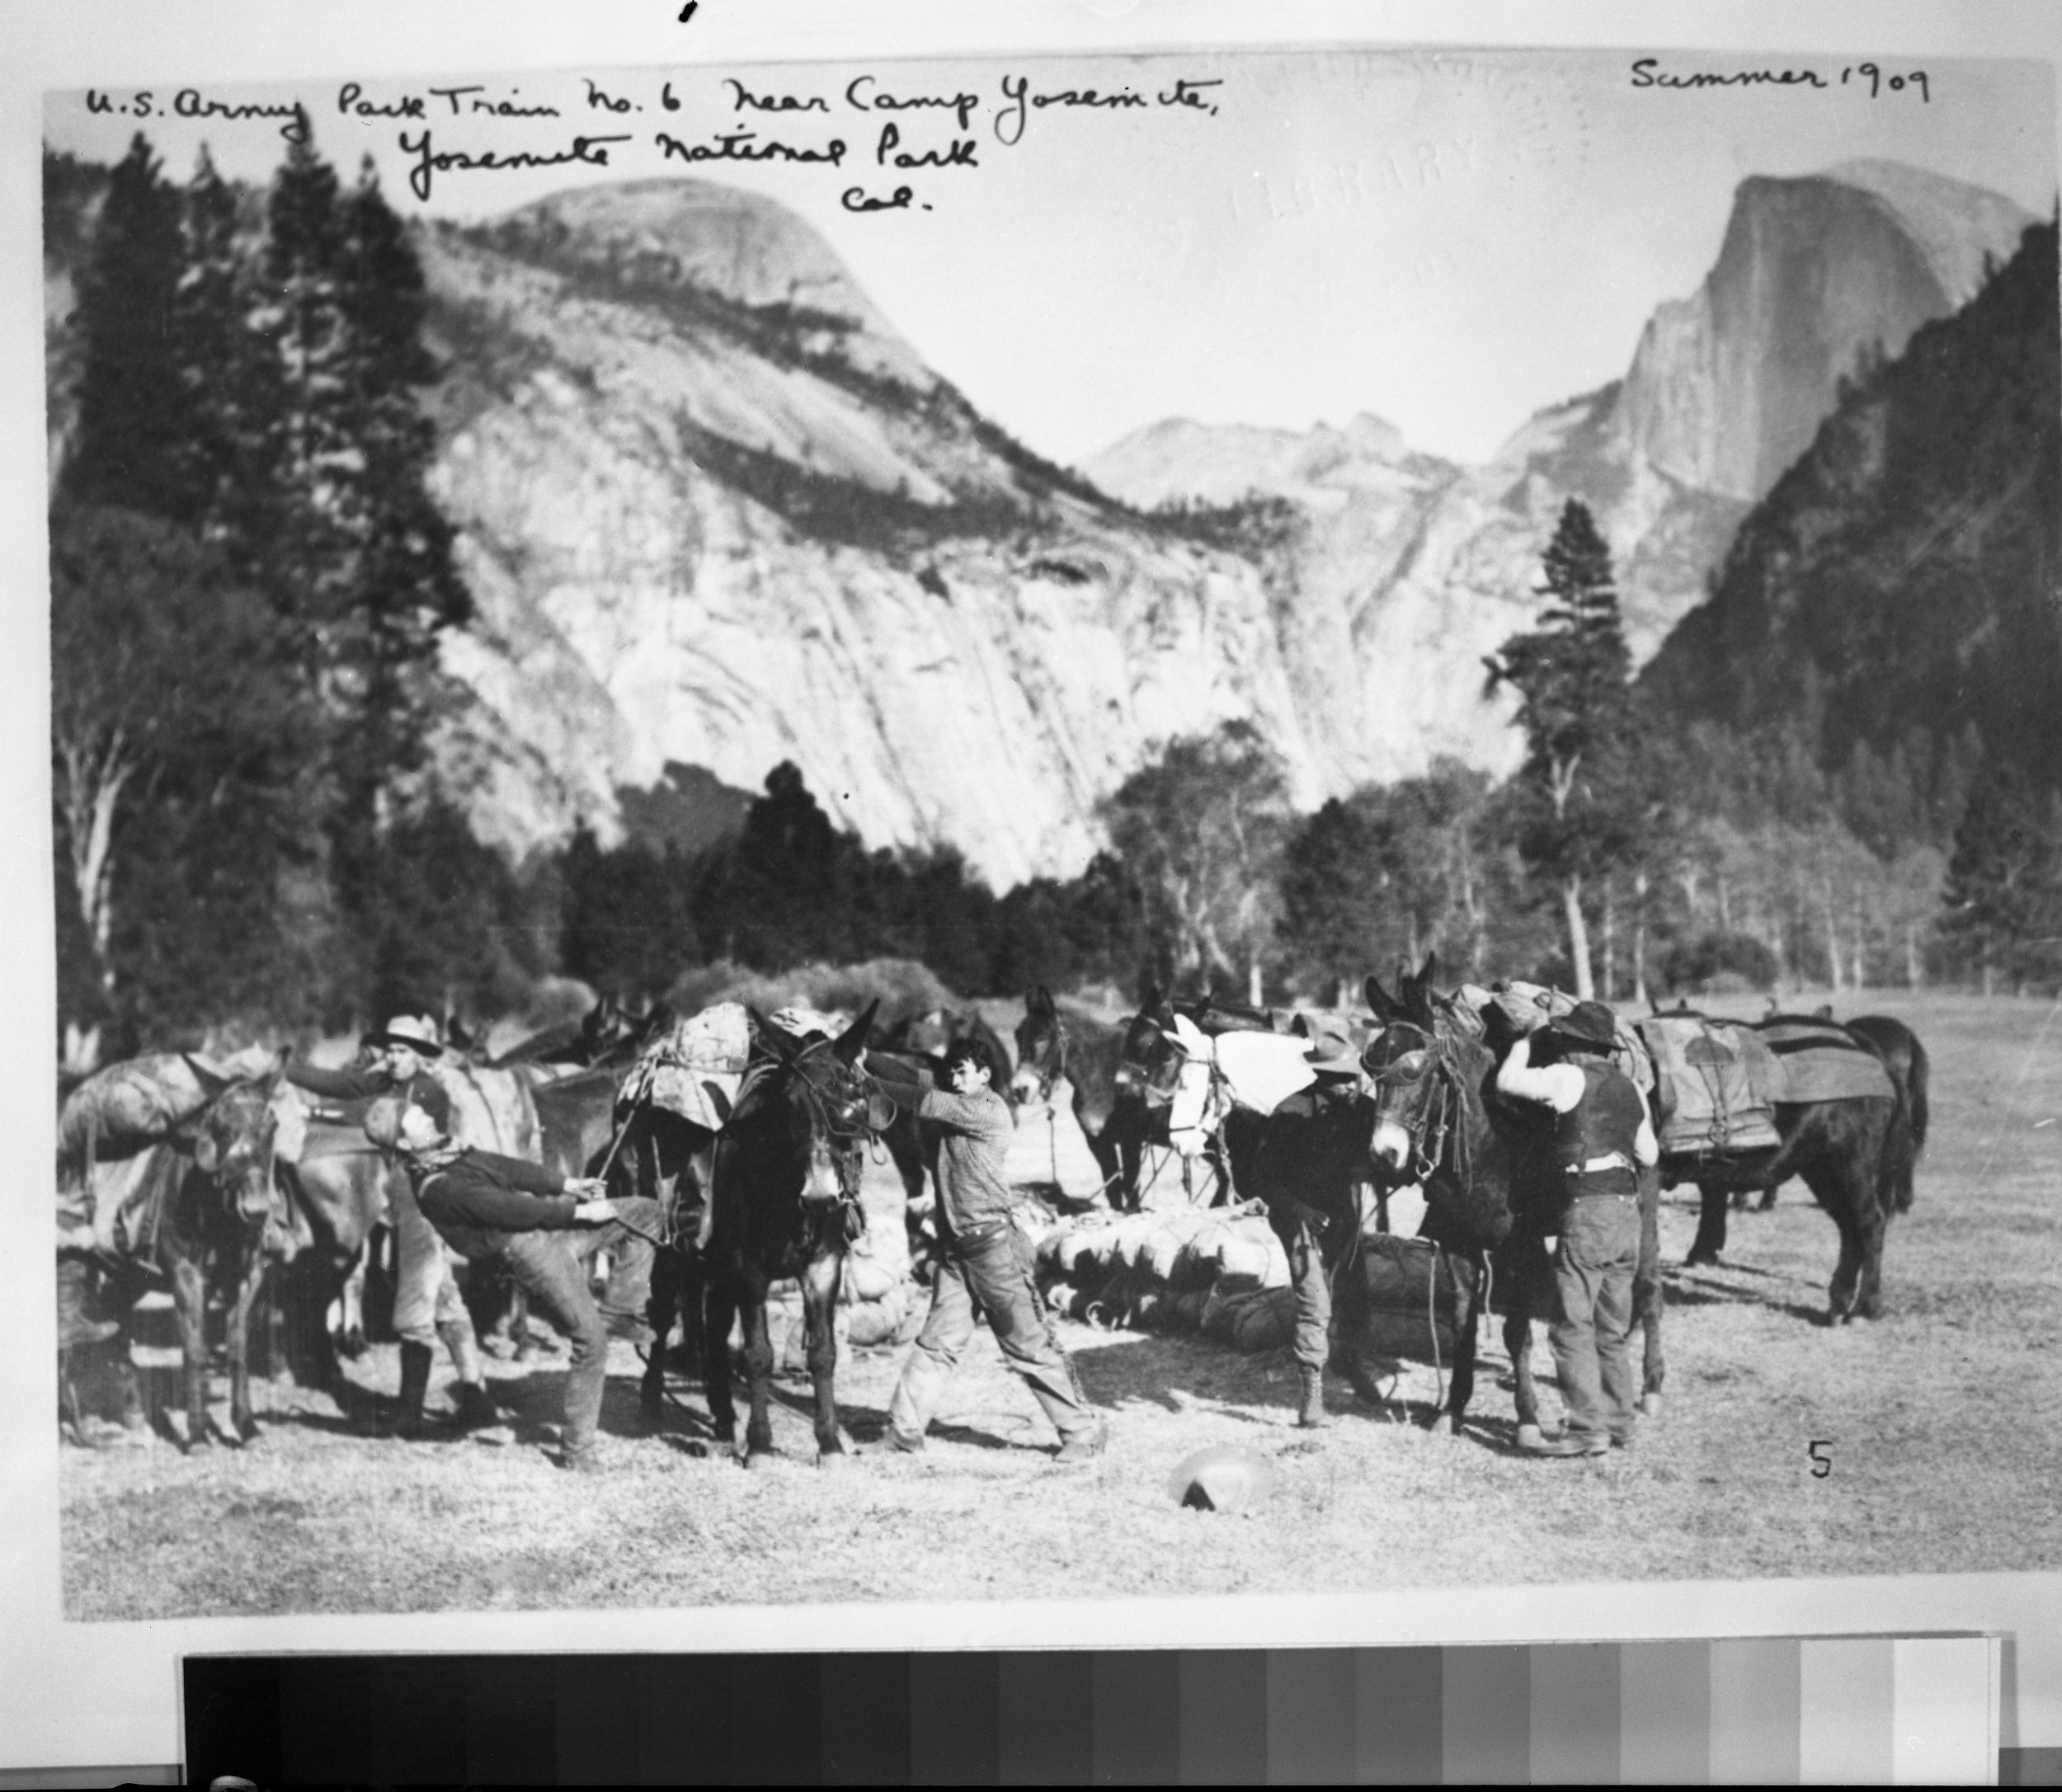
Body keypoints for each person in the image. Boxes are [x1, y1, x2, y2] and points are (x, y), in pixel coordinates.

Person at [364, 1092, 662, 1473]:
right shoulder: (436, 1188)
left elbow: (505, 1169)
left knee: (645, 1213)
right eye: (416, 1119)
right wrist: (582, 1212)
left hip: (547, 1228)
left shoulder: (447, 1152)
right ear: (406, 1144)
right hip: (529, 1250)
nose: (428, 1117)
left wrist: (568, 1184)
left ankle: (621, 1310)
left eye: (421, 1111)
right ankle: (578, 1451)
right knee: (592, 1342)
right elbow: (510, 1209)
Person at [869, 1038, 1104, 1463]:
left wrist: (862, 1078)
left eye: (963, 1072)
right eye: (952, 1073)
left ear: (985, 1075)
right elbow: (909, 1076)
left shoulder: (987, 1109)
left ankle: (1083, 1433)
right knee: (934, 1346)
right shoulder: (957, 1096)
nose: (956, 1080)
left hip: (994, 1252)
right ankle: (904, 1432)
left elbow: (919, 1097)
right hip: (956, 1255)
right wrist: (861, 1054)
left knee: (1028, 1347)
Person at [285, 1014, 494, 1437]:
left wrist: (368, 1116)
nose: (393, 1058)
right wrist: (285, 1069)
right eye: (391, 1051)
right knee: (445, 1299)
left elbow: (399, 1128)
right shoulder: (391, 1081)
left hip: (426, 1201)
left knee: (414, 1305)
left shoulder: (429, 1092)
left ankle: (410, 1413)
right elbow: (342, 1085)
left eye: (402, 1052)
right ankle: (477, 1398)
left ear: (420, 1056)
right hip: (407, 1196)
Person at [1494, 999, 1659, 1457]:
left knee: (1572, 1325)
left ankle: (1586, 1430)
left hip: (1588, 1211)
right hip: (1628, 1213)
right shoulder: (1632, 1087)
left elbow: (1507, 1082)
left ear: (1573, 1044)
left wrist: (1525, 1040)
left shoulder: (1567, 1077)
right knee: (1612, 1327)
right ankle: (1620, 1423)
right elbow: (1649, 1155)